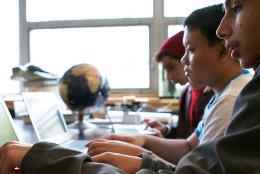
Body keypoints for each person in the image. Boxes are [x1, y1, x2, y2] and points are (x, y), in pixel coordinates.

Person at [1, 1, 260, 173]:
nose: (223, 30)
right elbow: (193, 153)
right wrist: (144, 151)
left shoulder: (235, 97)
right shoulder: (229, 94)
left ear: (222, 52)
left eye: (236, 7)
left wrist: (44, 159)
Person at [86, 3, 252, 165]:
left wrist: (141, 156)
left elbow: (196, 171)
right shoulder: (223, 93)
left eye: (191, 49)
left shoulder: (230, 99)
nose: (183, 59)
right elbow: (189, 146)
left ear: (222, 51)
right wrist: (142, 139)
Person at [143, 30, 214, 138]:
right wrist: (166, 130)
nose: (168, 77)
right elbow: (185, 135)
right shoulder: (186, 93)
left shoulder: (214, 93)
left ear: (187, 59)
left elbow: (196, 144)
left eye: (171, 67)